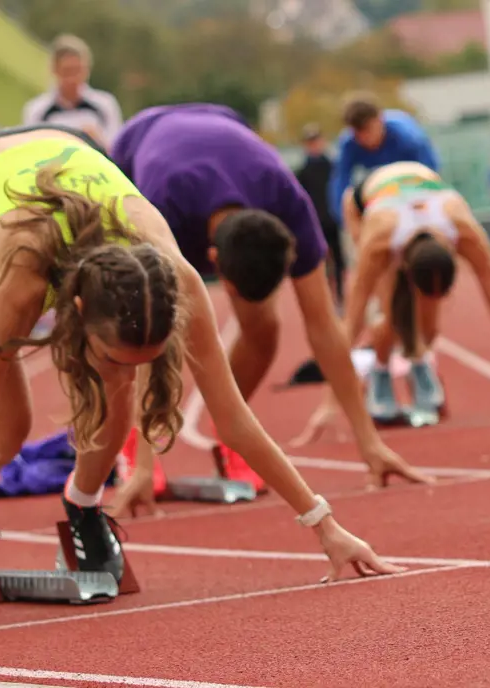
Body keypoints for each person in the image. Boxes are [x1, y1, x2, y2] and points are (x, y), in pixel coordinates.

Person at [0, 124, 403, 639]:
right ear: (79, 310)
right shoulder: (20, 282)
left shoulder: (177, 278)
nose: (130, 369)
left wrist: (326, 526)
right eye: (119, 353)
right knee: (3, 429)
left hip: (62, 148)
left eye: (146, 358)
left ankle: (84, 504)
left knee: (116, 396)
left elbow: (235, 420)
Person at [107, 103, 428, 510]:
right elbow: (149, 333)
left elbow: (325, 326)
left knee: (264, 330)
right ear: (215, 265)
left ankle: (232, 436)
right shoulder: (161, 209)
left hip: (224, 121)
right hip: (134, 148)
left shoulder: (289, 203)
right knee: (129, 323)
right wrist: (144, 465)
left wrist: (370, 442)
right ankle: (132, 448)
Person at [295, 161, 490, 440]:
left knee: (428, 328)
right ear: (407, 269)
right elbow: (350, 325)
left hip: (419, 194)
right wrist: (330, 403)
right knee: (390, 316)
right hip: (363, 206)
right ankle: (380, 371)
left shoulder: (465, 233)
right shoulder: (379, 241)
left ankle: (419, 362)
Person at [328, 92, 439, 225]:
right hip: (379, 190)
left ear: (379, 120)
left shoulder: (406, 136)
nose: (365, 139)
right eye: (359, 134)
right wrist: (345, 218)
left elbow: (430, 170)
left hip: (410, 183)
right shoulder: (349, 144)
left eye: (369, 130)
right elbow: (341, 180)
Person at [22, 34, 124, 152]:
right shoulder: (36, 109)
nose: (73, 79)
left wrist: (97, 139)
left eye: (78, 70)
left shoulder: (106, 104)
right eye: (67, 71)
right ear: (54, 70)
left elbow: (117, 154)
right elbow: (31, 153)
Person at [295, 124, 345, 308]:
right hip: (315, 223)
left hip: (333, 220)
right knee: (320, 262)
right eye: (310, 142)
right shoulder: (302, 172)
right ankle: (326, 299)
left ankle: (340, 297)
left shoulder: (333, 167)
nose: (314, 145)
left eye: (316, 141)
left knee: (339, 260)